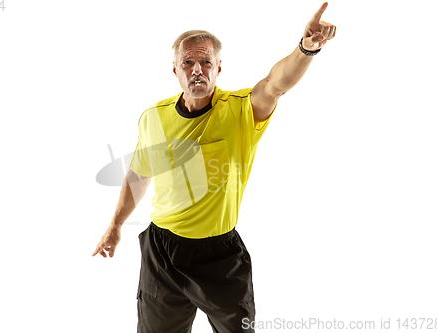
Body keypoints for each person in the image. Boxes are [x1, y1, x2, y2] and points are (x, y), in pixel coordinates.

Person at [92, 2, 336, 332]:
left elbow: (275, 83)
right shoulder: (154, 117)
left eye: (206, 62)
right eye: (188, 62)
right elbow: (139, 174)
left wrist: (306, 49)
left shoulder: (240, 110)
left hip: (219, 255)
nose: (197, 70)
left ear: (218, 69)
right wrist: (115, 225)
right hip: (162, 251)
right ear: (175, 70)